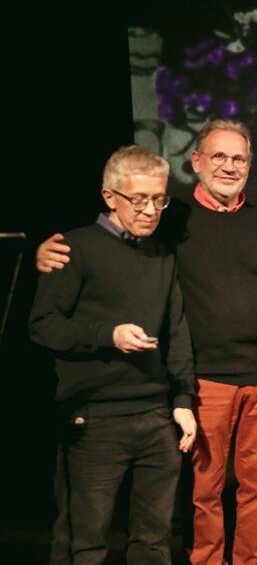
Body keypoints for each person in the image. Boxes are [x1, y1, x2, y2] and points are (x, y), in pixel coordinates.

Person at [37, 119, 257, 564]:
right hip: (204, 380)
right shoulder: (171, 218)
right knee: (203, 491)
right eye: (218, 156)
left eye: (238, 158)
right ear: (196, 162)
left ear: (250, 165)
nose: (228, 166)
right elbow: (115, 240)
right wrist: (45, 252)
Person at [30, 145, 197, 564]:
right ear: (109, 197)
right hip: (94, 419)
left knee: (154, 540)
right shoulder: (74, 248)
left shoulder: (162, 254)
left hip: (156, 418)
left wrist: (181, 401)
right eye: (138, 199)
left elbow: (176, 330)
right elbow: (43, 325)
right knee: (84, 542)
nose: (150, 210)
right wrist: (109, 335)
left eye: (158, 199)